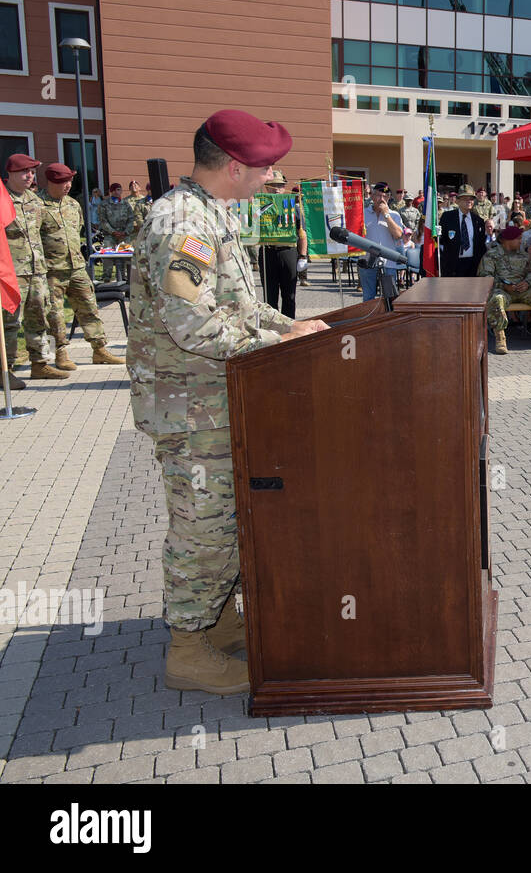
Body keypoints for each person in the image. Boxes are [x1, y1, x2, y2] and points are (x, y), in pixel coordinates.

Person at [127, 109, 329, 694]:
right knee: (203, 528)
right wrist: (276, 341)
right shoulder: (181, 223)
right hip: (191, 409)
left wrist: (292, 328)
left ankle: (214, 624)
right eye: (267, 168)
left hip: (217, 403)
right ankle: (188, 649)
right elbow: (192, 325)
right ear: (236, 167)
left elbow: (241, 306)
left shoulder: (213, 213)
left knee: (228, 521)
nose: (273, 177)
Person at [39, 163, 125, 368]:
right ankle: (60, 353)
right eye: (63, 182)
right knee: (55, 314)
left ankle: (99, 349)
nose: (68, 185)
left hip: (76, 267)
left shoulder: (73, 205)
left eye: (70, 181)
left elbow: (78, 230)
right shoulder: (38, 205)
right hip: (52, 270)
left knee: (89, 307)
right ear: (51, 182)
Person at [3, 153, 69, 388]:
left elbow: (43, 234)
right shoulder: (3, 199)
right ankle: (6, 370)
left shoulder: (34, 200)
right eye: (24, 172)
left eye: (32, 172)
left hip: (37, 270)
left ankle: (39, 363)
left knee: (39, 316)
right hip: (12, 272)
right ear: (10, 173)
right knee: (10, 322)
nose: (29, 176)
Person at [479, 225, 531, 353]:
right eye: (518, 239)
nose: (521, 241)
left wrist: (527, 283)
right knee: (497, 299)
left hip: (524, 291)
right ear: (508, 240)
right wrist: (503, 286)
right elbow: (485, 277)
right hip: (503, 291)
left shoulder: (524, 254)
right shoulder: (491, 255)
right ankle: (500, 339)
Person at [254, 168, 308, 317]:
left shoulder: (294, 208)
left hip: (288, 252)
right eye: (273, 186)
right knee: (269, 297)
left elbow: (302, 234)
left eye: (280, 186)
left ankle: (289, 327)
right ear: (266, 187)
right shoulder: (259, 207)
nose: (277, 190)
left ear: (284, 188)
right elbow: (249, 228)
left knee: (289, 295)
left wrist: (302, 256)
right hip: (267, 252)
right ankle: (272, 330)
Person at [357, 183, 405, 301]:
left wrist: (386, 215)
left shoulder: (394, 215)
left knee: (389, 299)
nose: (382, 199)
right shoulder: (363, 214)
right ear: (372, 196)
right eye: (379, 195)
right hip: (367, 262)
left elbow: (398, 235)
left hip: (388, 263)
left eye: (386, 196)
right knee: (368, 298)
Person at [437, 183, 488, 277]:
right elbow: (440, 240)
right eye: (465, 198)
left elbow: (481, 245)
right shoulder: (447, 217)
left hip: (472, 266)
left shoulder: (478, 221)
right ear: (458, 201)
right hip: (452, 266)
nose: (469, 201)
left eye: (471, 199)